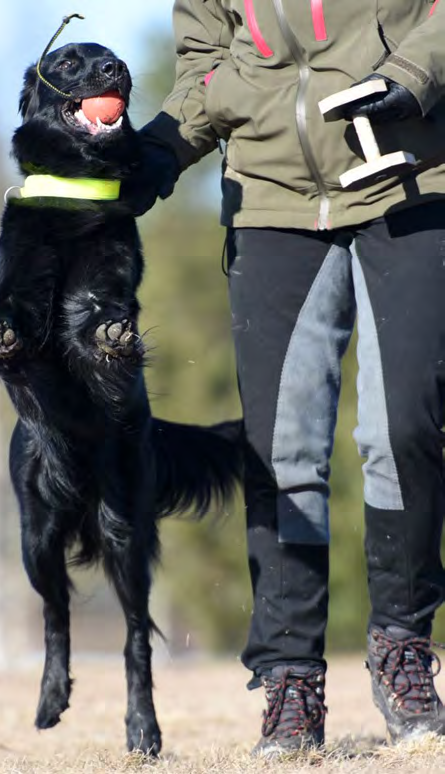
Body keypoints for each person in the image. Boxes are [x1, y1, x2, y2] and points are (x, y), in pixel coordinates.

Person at [123, 0, 445, 757]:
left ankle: (401, 645)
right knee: (282, 446)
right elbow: (206, 65)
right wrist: (159, 153)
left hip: (404, 178)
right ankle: (290, 679)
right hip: (271, 204)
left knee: (403, 427)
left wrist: (407, 76)